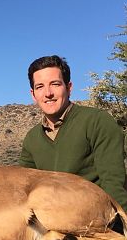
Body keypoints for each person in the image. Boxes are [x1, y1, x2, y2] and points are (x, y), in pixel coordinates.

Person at [19, 55, 127, 217]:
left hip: (96, 219)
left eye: (55, 84)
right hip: (52, 222)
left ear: (69, 87)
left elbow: (113, 184)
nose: (48, 93)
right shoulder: (32, 139)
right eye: (40, 86)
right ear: (33, 94)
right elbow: (23, 189)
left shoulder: (97, 121)